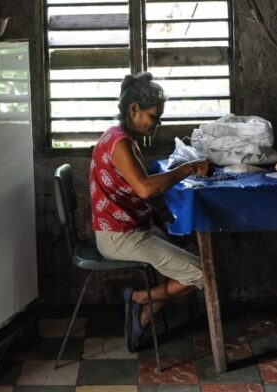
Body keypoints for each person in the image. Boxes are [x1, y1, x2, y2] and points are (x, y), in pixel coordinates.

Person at [88, 71, 210, 352]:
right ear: (134, 110)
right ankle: (142, 299)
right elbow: (144, 189)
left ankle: (144, 309)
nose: (157, 124)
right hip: (120, 237)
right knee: (203, 273)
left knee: (192, 255)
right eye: (154, 117)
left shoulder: (119, 137)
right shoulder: (119, 144)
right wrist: (188, 168)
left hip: (129, 229)